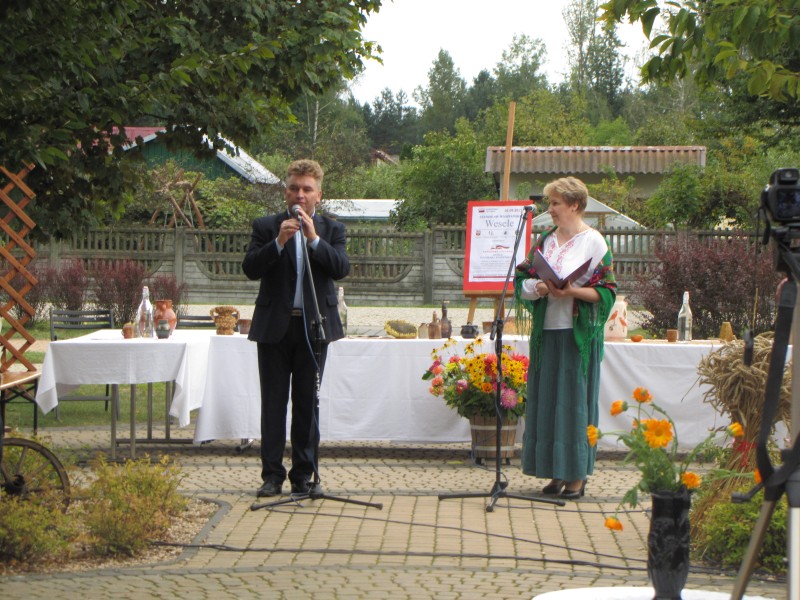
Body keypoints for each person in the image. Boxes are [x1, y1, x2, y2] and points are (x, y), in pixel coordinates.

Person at [242, 159, 350, 498]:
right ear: (285, 192)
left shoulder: (332, 229)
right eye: (293, 188)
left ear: (319, 195)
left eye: (306, 189)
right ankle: (272, 476)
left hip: (314, 329)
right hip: (274, 327)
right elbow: (250, 268)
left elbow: (341, 268)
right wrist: (278, 242)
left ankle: (303, 475)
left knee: (307, 404)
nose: (299, 195)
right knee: (273, 404)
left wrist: (314, 239)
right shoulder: (266, 226)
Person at [514, 177, 616, 500]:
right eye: (550, 203)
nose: (551, 209)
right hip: (546, 333)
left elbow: (607, 292)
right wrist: (539, 287)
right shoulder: (545, 240)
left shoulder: (594, 242)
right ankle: (554, 470)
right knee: (546, 401)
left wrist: (571, 291)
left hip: (577, 337)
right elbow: (522, 281)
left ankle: (576, 476)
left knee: (573, 404)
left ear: (574, 205)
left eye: (556, 203)